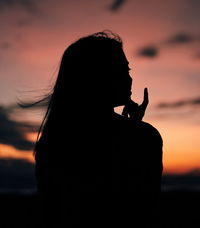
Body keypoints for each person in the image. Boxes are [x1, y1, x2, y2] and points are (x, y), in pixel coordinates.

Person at [33, 30, 163, 227]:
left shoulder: (54, 140)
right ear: (93, 77)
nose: (129, 79)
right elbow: (145, 209)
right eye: (119, 71)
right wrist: (136, 130)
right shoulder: (143, 137)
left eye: (128, 70)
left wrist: (133, 127)